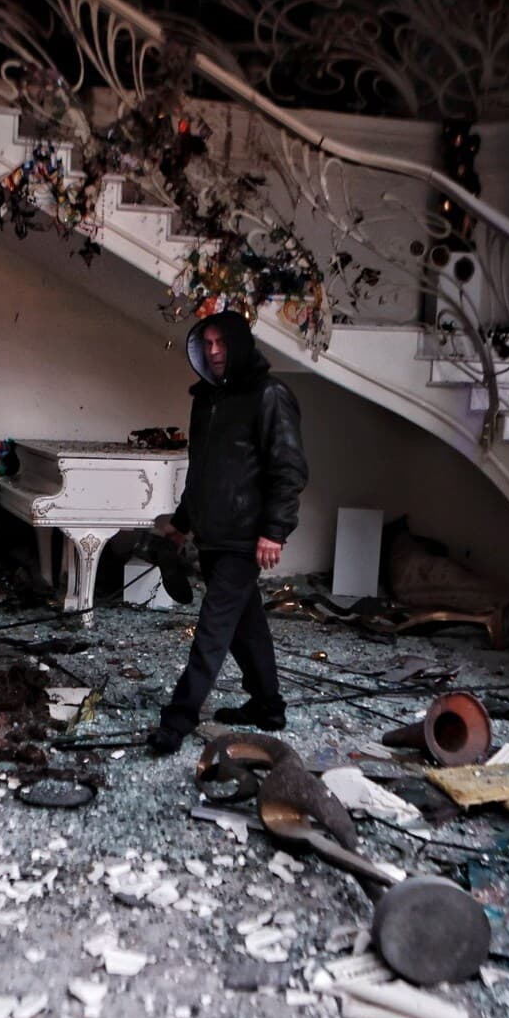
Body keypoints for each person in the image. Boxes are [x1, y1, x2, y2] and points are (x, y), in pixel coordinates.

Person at [147, 309, 308, 756]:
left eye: (222, 343)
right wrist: (182, 523)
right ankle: (268, 706)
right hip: (213, 534)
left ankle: (177, 722)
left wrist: (275, 530)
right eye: (208, 345)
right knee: (245, 627)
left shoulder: (270, 395)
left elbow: (288, 469)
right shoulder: (207, 399)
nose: (215, 352)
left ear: (239, 344)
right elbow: (202, 472)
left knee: (212, 631)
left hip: (245, 537)